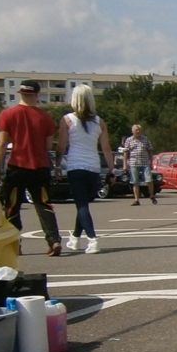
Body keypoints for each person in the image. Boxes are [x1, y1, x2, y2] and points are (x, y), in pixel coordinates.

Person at [0, 80, 63, 256]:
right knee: (44, 204)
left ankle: (15, 243)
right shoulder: (45, 117)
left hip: (17, 165)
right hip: (40, 166)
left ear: (21, 93)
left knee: (12, 206)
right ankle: (54, 240)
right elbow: (48, 146)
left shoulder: (7, 114)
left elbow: (2, 143)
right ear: (37, 95)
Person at [55, 84, 115, 254]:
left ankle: (92, 239)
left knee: (81, 205)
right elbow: (106, 148)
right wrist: (112, 170)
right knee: (83, 205)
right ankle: (75, 238)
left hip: (75, 166)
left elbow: (61, 146)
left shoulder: (67, 120)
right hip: (93, 167)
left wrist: (57, 164)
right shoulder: (99, 122)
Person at [120, 124, 156, 205]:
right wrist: (125, 165)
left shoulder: (145, 139)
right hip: (133, 163)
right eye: (136, 130)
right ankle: (136, 200)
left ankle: (152, 195)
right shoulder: (129, 140)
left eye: (139, 130)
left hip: (145, 162)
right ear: (132, 131)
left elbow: (150, 150)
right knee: (135, 181)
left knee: (149, 179)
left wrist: (151, 161)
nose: (138, 131)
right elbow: (126, 153)